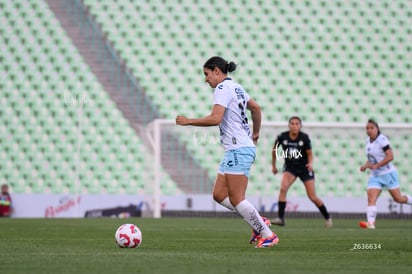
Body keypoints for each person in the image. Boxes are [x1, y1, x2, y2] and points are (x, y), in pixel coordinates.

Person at [176, 56, 279, 248]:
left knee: (237, 199)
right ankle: (258, 220)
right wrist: (255, 133)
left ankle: (268, 234)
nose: (206, 79)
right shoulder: (237, 87)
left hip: (238, 149)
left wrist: (188, 121)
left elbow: (216, 118)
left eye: (206, 74)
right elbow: (256, 108)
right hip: (236, 148)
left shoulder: (222, 88)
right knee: (218, 194)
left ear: (216, 71)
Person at [271, 116, 332, 227]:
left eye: (297, 124)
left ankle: (327, 217)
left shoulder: (304, 138)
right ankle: (280, 218)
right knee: (283, 188)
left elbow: (309, 154)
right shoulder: (282, 137)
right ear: (289, 125)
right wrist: (273, 166)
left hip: (304, 168)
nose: (294, 126)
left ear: (300, 126)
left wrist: (310, 163)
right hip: (290, 168)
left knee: (312, 196)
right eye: (292, 123)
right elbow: (274, 150)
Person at [359, 119, 412, 229]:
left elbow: (390, 156)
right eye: (367, 128)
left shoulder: (382, 140)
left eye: (371, 128)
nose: (369, 130)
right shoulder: (367, 141)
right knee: (371, 198)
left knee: (398, 199)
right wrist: (365, 165)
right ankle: (371, 223)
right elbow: (372, 159)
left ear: (377, 129)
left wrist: (377, 165)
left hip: (388, 173)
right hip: (375, 175)